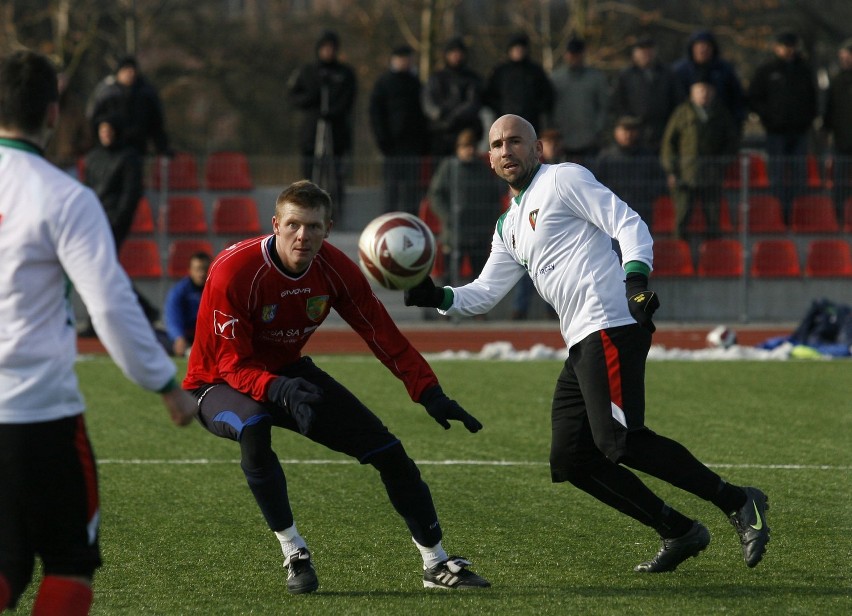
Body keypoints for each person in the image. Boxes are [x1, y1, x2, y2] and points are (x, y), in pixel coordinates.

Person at [404, 114, 771, 575]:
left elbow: (628, 222)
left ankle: (740, 502)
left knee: (620, 441)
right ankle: (678, 530)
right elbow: (484, 294)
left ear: (537, 149)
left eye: (515, 140)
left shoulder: (562, 179)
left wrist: (635, 281)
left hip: (611, 323)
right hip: (581, 340)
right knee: (572, 458)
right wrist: (436, 296)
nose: (505, 149)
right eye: (497, 144)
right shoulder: (508, 224)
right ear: (490, 159)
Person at [182, 179, 490, 594]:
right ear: (276, 224)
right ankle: (294, 552)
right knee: (254, 426)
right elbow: (230, 364)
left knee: (390, 455)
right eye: (293, 225)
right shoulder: (234, 271)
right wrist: (279, 390)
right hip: (216, 382)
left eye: (313, 227)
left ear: (329, 228)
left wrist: (429, 392)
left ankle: (435, 563)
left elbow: (381, 332)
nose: (302, 236)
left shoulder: (335, 268)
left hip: (289, 374)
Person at [0, 50, 196, 615]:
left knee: (4, 563)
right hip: (38, 414)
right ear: (55, 112)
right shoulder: (64, 197)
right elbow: (109, 306)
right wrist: (165, 384)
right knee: (68, 562)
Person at [79, 114, 160, 333]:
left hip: (115, 221)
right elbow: (88, 188)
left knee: (100, 268)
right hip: (95, 219)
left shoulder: (128, 157)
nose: (106, 135)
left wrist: (118, 219)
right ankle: (145, 310)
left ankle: (96, 321)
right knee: (104, 268)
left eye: (110, 130)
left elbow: (130, 193)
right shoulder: (93, 157)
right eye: (103, 131)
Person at [748, 31, 818, 222]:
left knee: (799, 175)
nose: (788, 50)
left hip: (799, 131)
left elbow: (813, 99)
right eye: (784, 46)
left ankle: (798, 215)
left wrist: (807, 119)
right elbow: (754, 98)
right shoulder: (767, 71)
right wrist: (769, 117)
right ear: (776, 47)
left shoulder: (804, 70)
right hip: (775, 132)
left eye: (791, 46)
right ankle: (779, 215)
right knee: (777, 175)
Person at [660, 77, 740, 239]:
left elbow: (731, 142)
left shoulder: (720, 113)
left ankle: (713, 254)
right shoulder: (681, 113)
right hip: (685, 174)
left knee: (713, 217)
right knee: (682, 216)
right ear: (692, 93)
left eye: (707, 90)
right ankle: (679, 253)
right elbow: (669, 144)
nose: (704, 94)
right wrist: (671, 170)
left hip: (712, 174)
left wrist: (721, 163)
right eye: (699, 90)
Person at [287, 30, 357, 214]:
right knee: (309, 172)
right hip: (312, 132)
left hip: (337, 132)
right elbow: (294, 96)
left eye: (331, 48)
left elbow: (349, 98)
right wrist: (314, 101)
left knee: (337, 174)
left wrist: (333, 111)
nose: (328, 52)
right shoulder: (307, 71)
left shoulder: (344, 73)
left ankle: (335, 210)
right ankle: (307, 208)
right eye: (325, 48)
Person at [427, 128, 505, 284]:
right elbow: (435, 194)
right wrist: (448, 217)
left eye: (472, 147)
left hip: (478, 233)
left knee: (480, 276)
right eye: (465, 147)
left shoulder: (483, 169)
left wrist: (489, 221)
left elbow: (494, 197)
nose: (470, 150)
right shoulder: (449, 167)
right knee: (450, 275)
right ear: (458, 149)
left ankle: (477, 307)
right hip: (454, 232)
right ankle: (448, 306)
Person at [369, 44, 430, 214]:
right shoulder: (384, 83)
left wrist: (423, 143)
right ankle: (389, 222)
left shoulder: (416, 83)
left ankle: (410, 222)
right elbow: (375, 113)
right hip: (391, 146)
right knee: (391, 190)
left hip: (413, 146)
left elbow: (422, 115)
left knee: (412, 190)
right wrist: (382, 140)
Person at [86, 55, 171, 157]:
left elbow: (156, 123)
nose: (130, 73)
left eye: (133, 70)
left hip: (136, 148)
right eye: (126, 70)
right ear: (119, 72)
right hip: (109, 150)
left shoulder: (145, 93)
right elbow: (92, 119)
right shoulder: (106, 92)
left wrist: (162, 147)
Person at [610, 36, 682, 154]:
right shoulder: (626, 75)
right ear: (635, 53)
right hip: (634, 135)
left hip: (663, 132)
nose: (646, 54)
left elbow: (677, 101)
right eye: (642, 50)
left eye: (649, 50)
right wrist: (628, 125)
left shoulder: (668, 74)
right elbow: (618, 103)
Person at [594, 115, 664, 227]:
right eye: (624, 130)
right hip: (613, 211)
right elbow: (596, 184)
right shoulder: (606, 157)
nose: (628, 135)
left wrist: (646, 195)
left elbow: (659, 181)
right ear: (616, 132)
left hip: (641, 210)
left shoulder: (647, 156)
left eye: (631, 130)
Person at [548, 37, 609, 163]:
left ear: (583, 55)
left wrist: (598, 129)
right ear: (566, 55)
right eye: (571, 54)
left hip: (589, 140)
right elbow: (548, 107)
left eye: (577, 54)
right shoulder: (555, 79)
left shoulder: (596, 78)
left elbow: (604, 106)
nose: (574, 58)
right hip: (562, 139)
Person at [671, 30, 748, 130]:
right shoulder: (679, 71)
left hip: (720, 125)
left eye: (707, 46)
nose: (703, 50)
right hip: (686, 125)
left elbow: (737, 97)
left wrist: (737, 121)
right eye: (699, 46)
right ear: (692, 48)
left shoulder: (724, 70)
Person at [422, 36, 484, 157]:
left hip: (466, 132)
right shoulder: (436, 78)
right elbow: (428, 103)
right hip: (440, 134)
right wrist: (440, 114)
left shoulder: (472, 78)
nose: (456, 56)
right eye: (452, 52)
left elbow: (473, 102)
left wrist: (454, 117)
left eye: (459, 52)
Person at [483, 33, 553, 134]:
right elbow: (489, 95)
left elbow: (547, 95)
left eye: (521, 48)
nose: (518, 51)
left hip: (530, 121)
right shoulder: (501, 71)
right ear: (510, 50)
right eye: (515, 48)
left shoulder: (535, 71)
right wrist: (500, 109)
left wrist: (535, 109)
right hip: (505, 121)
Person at [822, 38, 852, 222]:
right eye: (844, 56)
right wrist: (826, 130)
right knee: (839, 184)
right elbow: (829, 111)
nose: (846, 59)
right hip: (842, 142)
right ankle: (838, 218)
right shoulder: (836, 81)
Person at [163, 251, 211, 357]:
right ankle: (187, 350)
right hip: (186, 335)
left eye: (205, 269)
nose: (202, 273)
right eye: (198, 269)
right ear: (190, 271)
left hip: (209, 335)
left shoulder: (216, 290)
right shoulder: (179, 291)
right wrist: (178, 337)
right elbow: (172, 318)